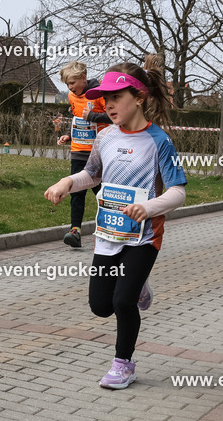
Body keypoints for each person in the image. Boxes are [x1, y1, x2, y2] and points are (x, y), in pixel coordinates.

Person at [44, 56, 187, 389]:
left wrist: (150, 207)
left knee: (122, 301)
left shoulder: (159, 142)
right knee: (100, 306)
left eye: (116, 97)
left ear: (139, 97)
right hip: (108, 234)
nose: (107, 104)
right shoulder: (105, 137)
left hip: (144, 236)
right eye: (105, 99)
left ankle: (123, 364)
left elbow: (179, 192)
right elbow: (91, 174)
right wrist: (67, 183)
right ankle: (140, 289)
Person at [56, 61, 112, 248]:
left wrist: (93, 117)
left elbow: (112, 116)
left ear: (83, 78)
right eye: (67, 85)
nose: (69, 88)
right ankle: (75, 231)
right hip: (78, 150)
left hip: (97, 150)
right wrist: (69, 135)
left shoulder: (98, 94)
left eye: (71, 83)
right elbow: (77, 117)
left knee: (100, 191)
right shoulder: (72, 96)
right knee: (76, 191)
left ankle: (110, 226)